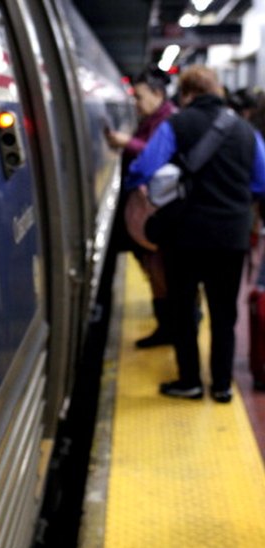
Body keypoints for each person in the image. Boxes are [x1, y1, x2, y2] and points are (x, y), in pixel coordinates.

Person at [125, 65, 265, 403]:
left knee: (184, 310)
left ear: (186, 95)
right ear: (216, 90)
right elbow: (261, 181)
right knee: (223, 314)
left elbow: (142, 168)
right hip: (231, 237)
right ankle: (221, 385)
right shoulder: (246, 132)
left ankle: (189, 381)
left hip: (184, 237)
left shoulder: (176, 125)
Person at [105, 65, 177, 348]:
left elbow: (153, 157)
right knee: (156, 273)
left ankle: (171, 328)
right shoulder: (152, 119)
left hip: (156, 211)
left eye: (140, 96)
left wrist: (127, 143)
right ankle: (167, 326)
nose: (135, 103)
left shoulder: (166, 121)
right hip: (146, 210)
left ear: (158, 93)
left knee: (162, 274)